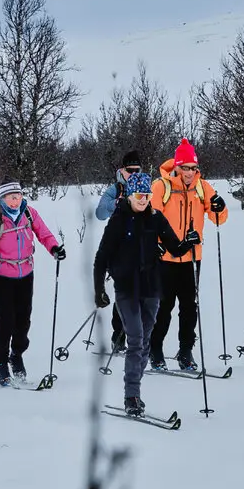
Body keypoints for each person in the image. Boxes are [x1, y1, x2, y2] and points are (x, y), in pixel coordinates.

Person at [93, 172, 199, 414]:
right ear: (130, 195)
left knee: (145, 342)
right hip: (127, 288)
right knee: (136, 339)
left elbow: (175, 247)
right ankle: (131, 395)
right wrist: (99, 290)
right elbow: (101, 258)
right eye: (139, 195)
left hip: (152, 287)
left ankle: (134, 389)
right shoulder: (119, 220)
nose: (143, 200)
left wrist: (189, 242)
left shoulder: (155, 217)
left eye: (147, 195)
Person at [0, 180, 65, 384]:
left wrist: (54, 248)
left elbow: (44, 233)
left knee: (23, 321)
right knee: (6, 322)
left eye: (18, 196)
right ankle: (0, 364)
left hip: (25, 274)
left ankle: (16, 355)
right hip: (1, 277)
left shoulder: (29, 213)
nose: (15, 201)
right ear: (2, 198)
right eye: (11, 197)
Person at [148, 138, 226, 371]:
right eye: (185, 168)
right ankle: (155, 349)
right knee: (164, 306)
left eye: (193, 168)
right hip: (166, 259)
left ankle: (185, 351)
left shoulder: (202, 187)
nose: (190, 173)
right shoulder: (161, 186)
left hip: (192, 258)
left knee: (190, 307)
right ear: (177, 167)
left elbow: (219, 218)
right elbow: (151, 219)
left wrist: (219, 207)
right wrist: (155, 244)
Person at [94, 150, 147, 350]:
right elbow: (99, 213)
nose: (133, 174)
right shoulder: (116, 189)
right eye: (129, 170)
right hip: (118, 249)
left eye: (137, 170)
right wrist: (117, 204)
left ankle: (138, 337)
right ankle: (119, 337)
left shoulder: (144, 187)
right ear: (122, 171)